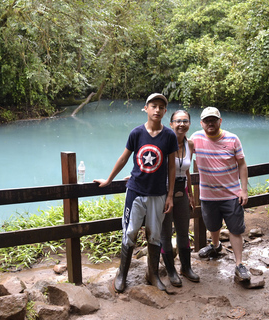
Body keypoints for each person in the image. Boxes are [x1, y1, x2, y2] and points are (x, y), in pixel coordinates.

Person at [94, 93, 178, 293]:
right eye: (153, 106)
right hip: (136, 191)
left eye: (161, 107)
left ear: (165, 111)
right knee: (130, 232)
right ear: (146, 108)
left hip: (158, 193)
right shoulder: (136, 133)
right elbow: (124, 158)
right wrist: (109, 179)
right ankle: (122, 273)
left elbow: (172, 168)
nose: (157, 110)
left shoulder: (169, 136)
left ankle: (153, 274)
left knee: (154, 235)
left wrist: (170, 195)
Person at [190, 107, 251, 281]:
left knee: (235, 229)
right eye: (206, 120)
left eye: (213, 120)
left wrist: (244, 189)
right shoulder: (195, 138)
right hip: (208, 195)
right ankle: (215, 246)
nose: (210, 123)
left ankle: (239, 264)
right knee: (213, 226)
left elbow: (242, 164)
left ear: (220, 121)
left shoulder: (232, 139)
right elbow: (179, 153)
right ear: (201, 123)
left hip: (232, 194)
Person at [160, 110, 200, 287]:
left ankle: (186, 267)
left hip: (181, 191)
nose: (181, 124)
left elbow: (187, 171)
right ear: (171, 124)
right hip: (163, 192)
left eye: (185, 121)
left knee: (184, 230)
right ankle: (171, 271)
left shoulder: (190, 144)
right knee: (165, 232)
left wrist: (190, 194)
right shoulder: (163, 142)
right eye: (178, 121)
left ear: (189, 124)